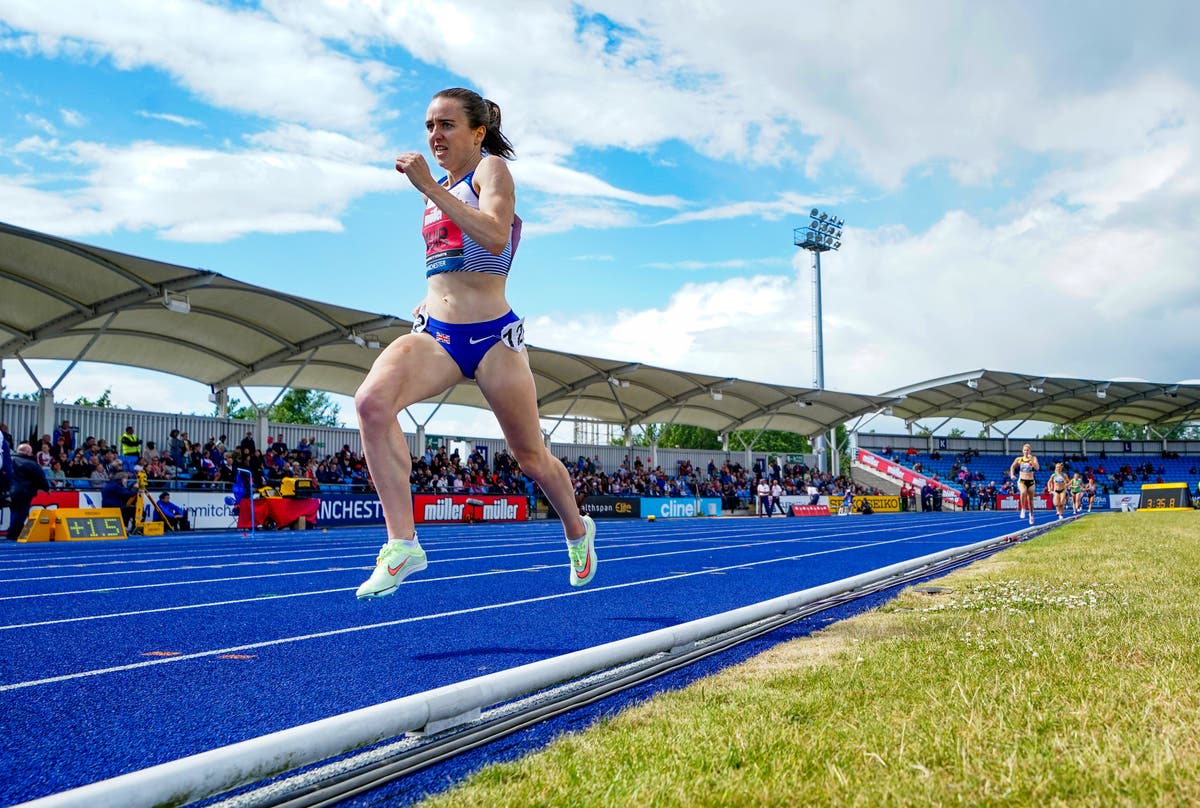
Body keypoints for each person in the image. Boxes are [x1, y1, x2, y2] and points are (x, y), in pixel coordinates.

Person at [353, 87, 595, 600]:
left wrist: (430, 187)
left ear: (477, 132)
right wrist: (425, 298)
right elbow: (445, 261)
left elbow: (493, 236)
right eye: (429, 127)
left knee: (530, 457)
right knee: (371, 404)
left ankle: (577, 528)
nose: (434, 136)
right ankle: (402, 544)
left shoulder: (491, 173)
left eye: (446, 125)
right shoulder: (432, 189)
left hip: (493, 338)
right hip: (438, 334)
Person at [7, 443, 50, 541]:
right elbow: (40, 478)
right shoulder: (31, 463)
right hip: (25, 491)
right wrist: (46, 488)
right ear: (27, 452)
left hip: (10, 490)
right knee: (21, 512)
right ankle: (14, 533)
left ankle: (14, 531)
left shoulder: (9, 460)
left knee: (14, 511)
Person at [1009, 443, 1040, 526]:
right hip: (1022, 480)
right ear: (1022, 451)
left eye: (1028, 450)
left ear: (1030, 451)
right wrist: (1012, 475)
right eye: (1025, 450)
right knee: (1023, 492)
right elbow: (1012, 467)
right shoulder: (1019, 459)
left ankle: (1031, 515)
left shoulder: (1033, 458)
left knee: (1030, 501)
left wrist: (1032, 462)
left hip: (1031, 481)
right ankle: (1023, 509)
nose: (1026, 451)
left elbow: (1037, 468)